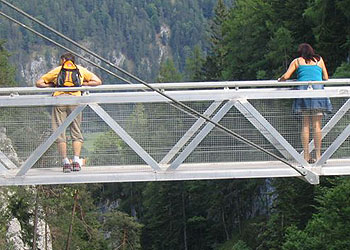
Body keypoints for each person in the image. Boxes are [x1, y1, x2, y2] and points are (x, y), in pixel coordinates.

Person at [36, 52, 102, 172]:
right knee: (76, 131)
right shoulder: (80, 70)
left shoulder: (58, 70)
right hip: (75, 101)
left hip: (60, 101)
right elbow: (97, 81)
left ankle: (65, 162)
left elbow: (39, 83)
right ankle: (76, 161)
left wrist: (52, 85)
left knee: (59, 132)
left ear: (63, 60)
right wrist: (83, 83)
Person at [278, 43, 332, 164]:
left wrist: (279, 80)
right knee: (317, 126)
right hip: (318, 94)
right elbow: (326, 77)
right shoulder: (319, 60)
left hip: (303, 95)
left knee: (305, 126)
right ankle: (319, 156)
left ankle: (306, 156)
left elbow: (286, 76)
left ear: (300, 52)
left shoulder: (297, 61)